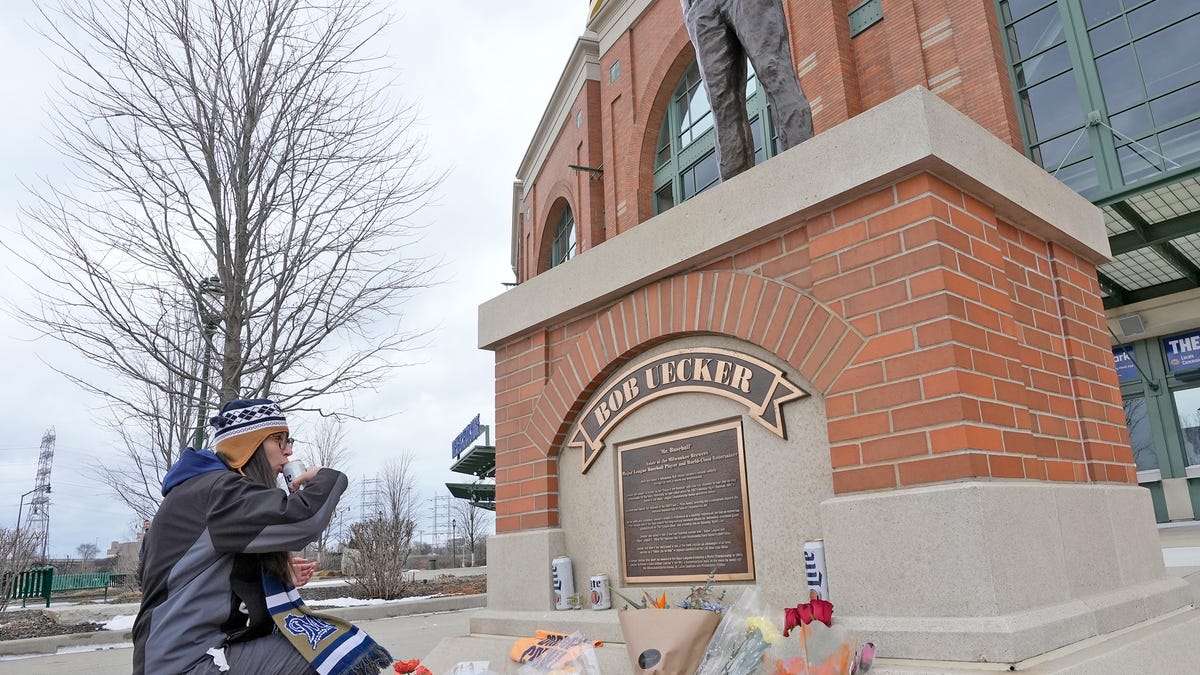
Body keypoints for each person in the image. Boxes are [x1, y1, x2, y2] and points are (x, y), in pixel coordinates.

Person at [133, 398, 391, 674]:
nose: (289, 451)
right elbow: (304, 520)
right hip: (185, 661)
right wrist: (327, 478)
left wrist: (266, 576)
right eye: (280, 440)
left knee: (319, 646)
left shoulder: (197, 490)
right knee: (332, 656)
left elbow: (191, 575)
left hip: (183, 654)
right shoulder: (218, 492)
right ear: (250, 445)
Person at [681, 0, 814, 180]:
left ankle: (807, 176)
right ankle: (737, 199)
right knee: (722, 108)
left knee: (774, 70)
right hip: (698, 6)